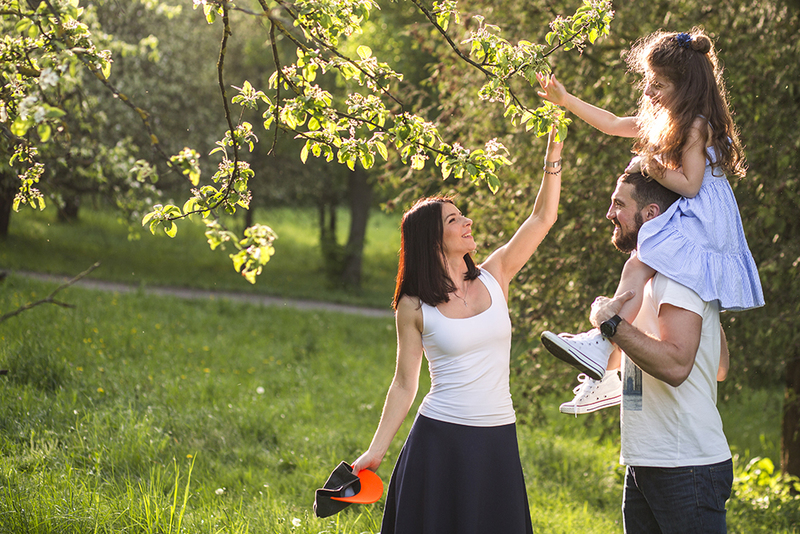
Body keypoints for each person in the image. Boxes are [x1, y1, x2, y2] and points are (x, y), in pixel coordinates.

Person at [535, 28, 763, 414]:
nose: (648, 92)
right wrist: (566, 99)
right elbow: (609, 122)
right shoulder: (663, 124)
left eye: (658, 84)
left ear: (685, 86)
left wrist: (652, 167)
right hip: (687, 215)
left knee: (639, 262)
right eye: (648, 82)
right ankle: (604, 358)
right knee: (637, 265)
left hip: (701, 220)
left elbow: (691, 186)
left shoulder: (695, 127)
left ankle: (602, 345)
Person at [350, 126, 564, 534]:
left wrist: (552, 155)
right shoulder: (414, 305)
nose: (468, 222)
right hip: (439, 441)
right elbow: (403, 384)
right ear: (433, 238)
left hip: (498, 437)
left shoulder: (495, 274)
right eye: (454, 219)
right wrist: (376, 451)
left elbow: (543, 217)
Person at [591, 169, 734, 532]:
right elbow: (718, 365)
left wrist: (613, 325)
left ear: (651, 214)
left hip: (685, 465)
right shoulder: (651, 277)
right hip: (646, 460)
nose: (610, 213)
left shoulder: (679, 276)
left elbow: (675, 366)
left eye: (619, 204)